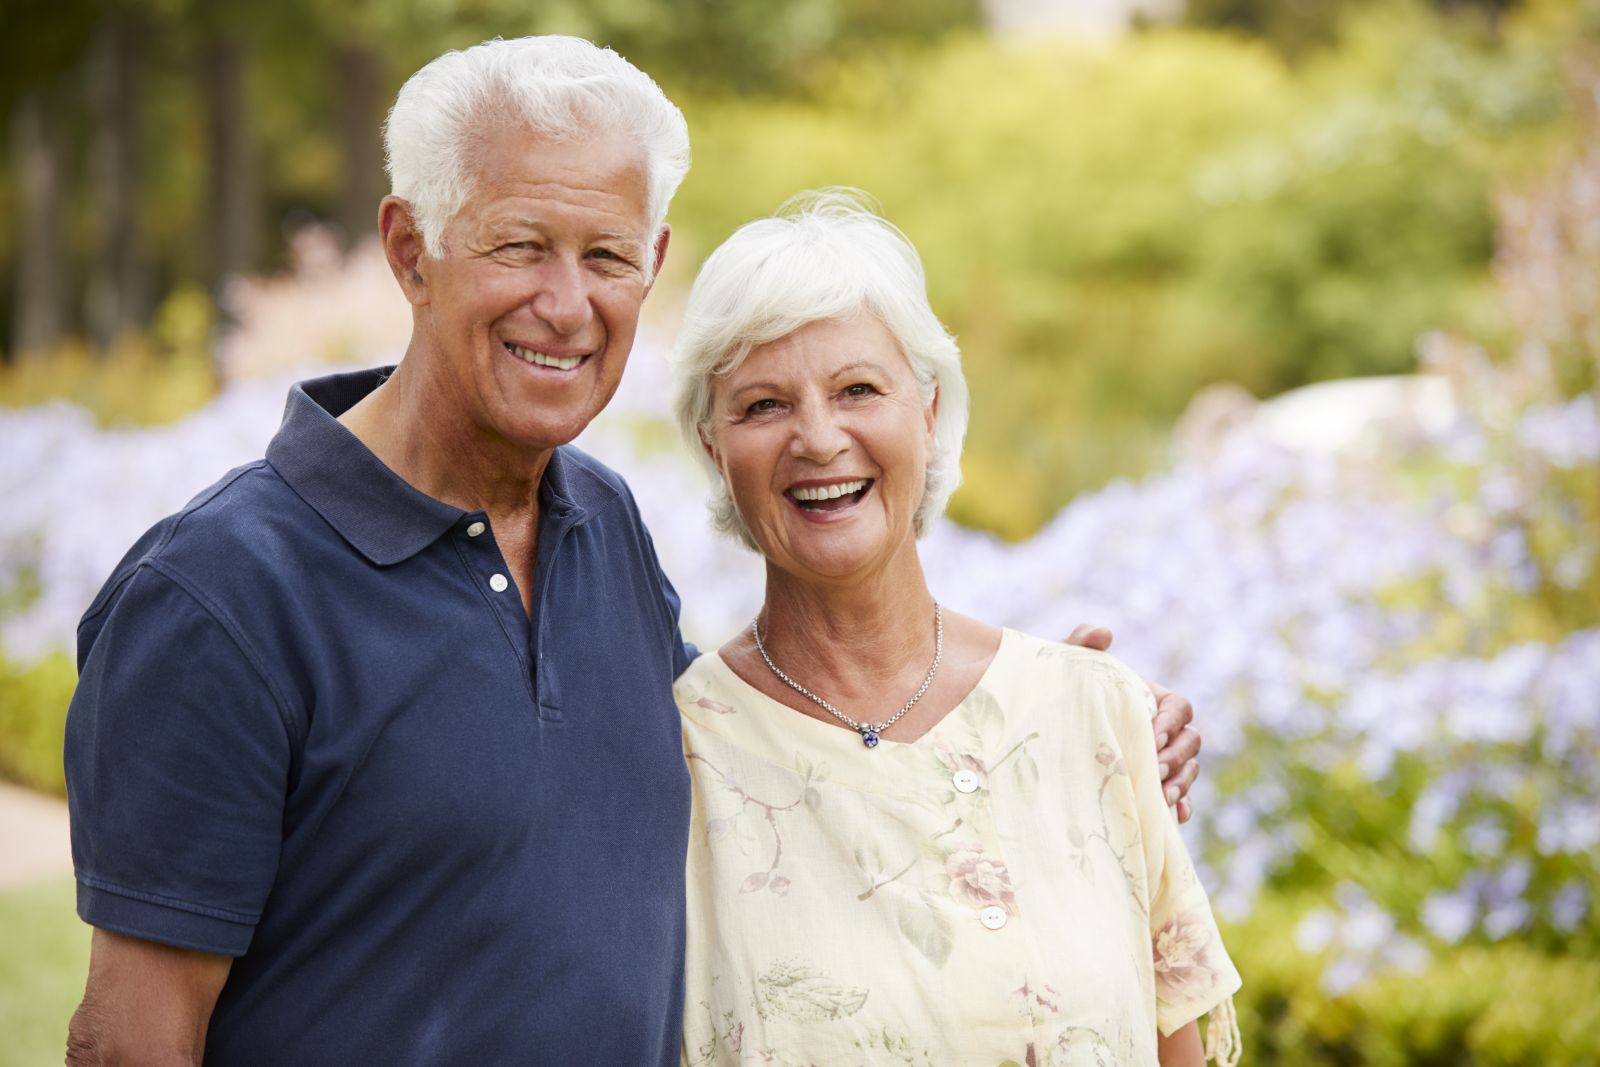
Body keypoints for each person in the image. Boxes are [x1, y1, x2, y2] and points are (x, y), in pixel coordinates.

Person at [61, 37, 1201, 1066]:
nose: (567, 304)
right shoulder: (217, 597)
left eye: (606, 255)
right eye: (520, 244)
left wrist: (1049, 729)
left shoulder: (597, 525)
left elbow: (768, 741)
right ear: (411, 250)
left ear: (652, 262)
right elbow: (131, 1037)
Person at [669, 191, 1241, 1066]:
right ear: (715, 448)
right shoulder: (671, 757)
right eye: (763, 406)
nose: (820, 438)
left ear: (929, 413)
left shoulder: (1099, 717)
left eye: (858, 388)